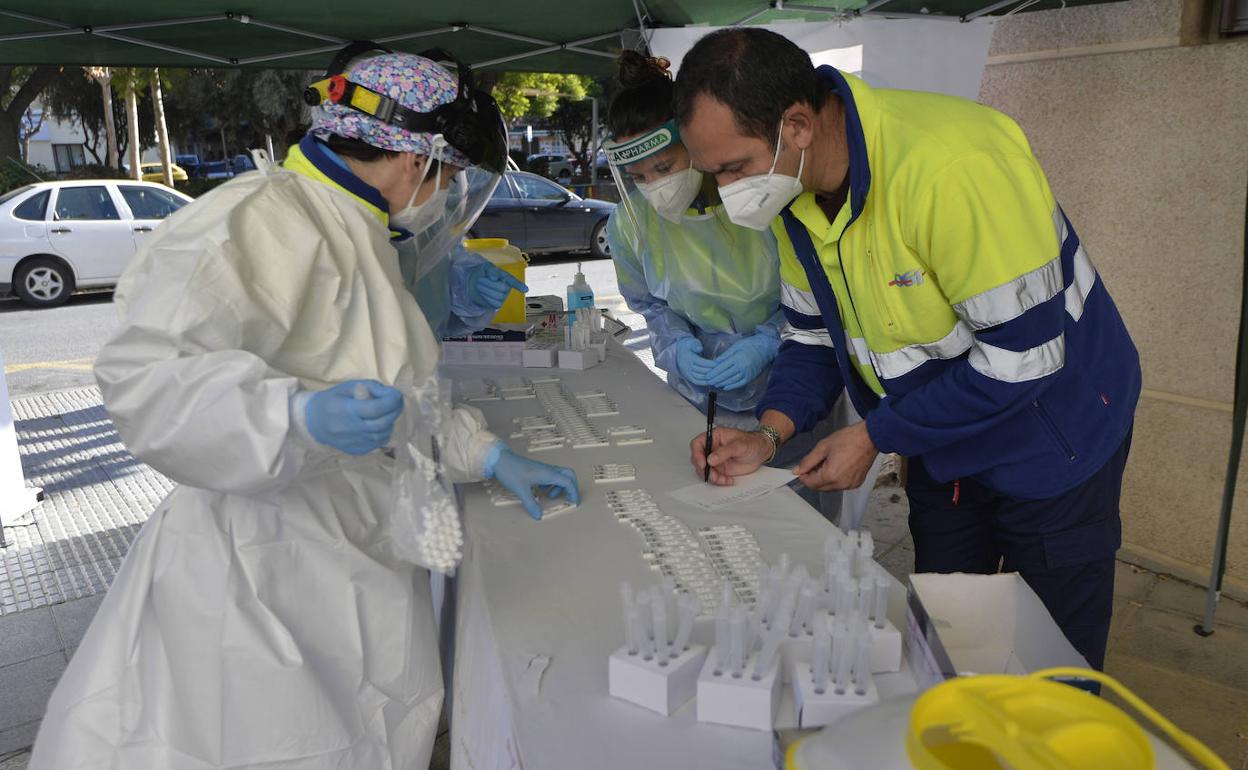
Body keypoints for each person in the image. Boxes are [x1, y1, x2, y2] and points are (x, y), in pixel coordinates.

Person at [30, 46, 579, 770]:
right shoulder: (255, 219)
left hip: (345, 559)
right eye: (451, 176)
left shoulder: (356, 228)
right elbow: (146, 381)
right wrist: (289, 416)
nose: (447, 193)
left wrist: (483, 452)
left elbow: (389, 391)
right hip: (253, 583)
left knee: (361, 732)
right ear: (417, 162)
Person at [677, 29, 1139, 670]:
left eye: (733, 168)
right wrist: (768, 432)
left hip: (1056, 434)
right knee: (948, 645)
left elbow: (1023, 359)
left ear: (798, 124)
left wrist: (875, 435)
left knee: (1048, 669)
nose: (728, 192)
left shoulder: (953, 167)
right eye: (715, 173)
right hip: (945, 442)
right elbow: (811, 338)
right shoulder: (792, 196)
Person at [603, 51, 879, 528]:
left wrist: (767, 341)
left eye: (664, 166)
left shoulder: (761, 198)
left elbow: (821, 300)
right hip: (700, 396)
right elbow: (648, 302)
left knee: (797, 524)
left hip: (793, 393)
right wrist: (676, 345)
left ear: (697, 144)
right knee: (713, 522)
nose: (654, 186)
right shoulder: (631, 222)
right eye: (638, 178)